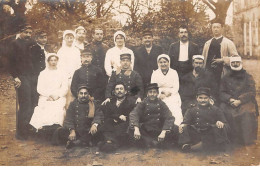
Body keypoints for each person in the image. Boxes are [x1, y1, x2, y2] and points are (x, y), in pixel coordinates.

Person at [219, 56, 258, 145]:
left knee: (247, 112)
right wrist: (230, 99)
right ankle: (228, 138)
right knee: (223, 110)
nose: (235, 64)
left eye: (237, 62)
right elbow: (221, 92)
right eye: (233, 63)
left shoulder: (248, 76)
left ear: (241, 63)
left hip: (245, 101)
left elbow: (252, 92)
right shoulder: (225, 77)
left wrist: (240, 100)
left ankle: (246, 139)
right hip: (230, 102)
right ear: (230, 64)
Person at [178, 87, 229, 152]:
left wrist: (221, 123)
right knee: (184, 127)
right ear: (197, 98)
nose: (203, 100)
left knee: (218, 128)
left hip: (210, 134)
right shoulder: (191, 109)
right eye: (200, 98)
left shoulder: (216, 109)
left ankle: (192, 148)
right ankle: (187, 144)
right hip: (197, 134)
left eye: (205, 98)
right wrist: (183, 124)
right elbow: (186, 121)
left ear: (209, 98)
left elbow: (226, 125)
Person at [129, 83, 177, 148]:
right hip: (146, 130)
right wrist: (136, 128)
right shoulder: (143, 103)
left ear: (157, 93)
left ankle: (150, 142)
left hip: (158, 129)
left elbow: (169, 117)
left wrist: (163, 132)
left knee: (175, 128)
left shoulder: (161, 103)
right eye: (150, 92)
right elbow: (134, 114)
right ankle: (152, 142)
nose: (152, 94)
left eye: (154, 92)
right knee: (131, 129)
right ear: (147, 94)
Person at [30, 53, 68, 132]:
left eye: (55, 60)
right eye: (51, 60)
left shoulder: (62, 73)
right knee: (44, 107)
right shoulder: (43, 73)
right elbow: (39, 88)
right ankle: (43, 128)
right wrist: (49, 95)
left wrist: (57, 95)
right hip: (45, 96)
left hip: (59, 96)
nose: (53, 62)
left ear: (57, 61)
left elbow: (65, 88)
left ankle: (56, 127)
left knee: (57, 107)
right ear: (48, 61)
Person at [9, 24, 34, 140]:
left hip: (30, 76)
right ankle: (21, 132)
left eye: (30, 32)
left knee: (30, 103)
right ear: (21, 32)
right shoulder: (14, 44)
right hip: (21, 77)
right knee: (25, 103)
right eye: (26, 32)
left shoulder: (29, 43)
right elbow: (10, 63)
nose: (28, 35)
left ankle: (26, 128)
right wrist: (15, 77)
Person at [99, 82, 136, 152]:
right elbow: (107, 115)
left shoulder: (131, 102)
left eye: (121, 89)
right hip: (112, 124)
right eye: (117, 89)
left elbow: (132, 116)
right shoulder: (110, 102)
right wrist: (118, 116)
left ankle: (110, 142)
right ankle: (110, 142)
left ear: (125, 92)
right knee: (107, 123)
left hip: (123, 126)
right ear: (114, 92)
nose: (119, 91)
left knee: (123, 126)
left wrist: (118, 118)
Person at [202, 18, 238, 85]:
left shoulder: (228, 43)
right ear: (211, 29)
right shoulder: (207, 43)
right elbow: (203, 60)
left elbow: (236, 59)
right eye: (214, 27)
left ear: (222, 28)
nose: (216, 29)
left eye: (218, 27)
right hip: (209, 74)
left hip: (222, 74)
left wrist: (222, 60)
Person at [151, 54, 183, 126]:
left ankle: (175, 126)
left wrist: (169, 92)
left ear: (169, 62)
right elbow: (153, 86)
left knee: (174, 109)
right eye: (161, 62)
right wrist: (159, 94)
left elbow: (176, 86)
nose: (163, 64)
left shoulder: (174, 72)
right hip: (158, 94)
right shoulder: (155, 73)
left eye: (165, 62)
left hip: (172, 94)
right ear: (158, 63)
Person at [57, 30, 81, 109]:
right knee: (65, 95)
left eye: (71, 38)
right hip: (64, 77)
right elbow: (59, 65)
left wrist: (76, 75)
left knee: (74, 95)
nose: (70, 40)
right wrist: (66, 76)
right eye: (68, 38)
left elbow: (78, 64)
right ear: (64, 39)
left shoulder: (76, 51)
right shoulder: (61, 51)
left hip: (75, 76)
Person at [30, 30, 48, 109]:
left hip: (45, 75)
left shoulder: (46, 48)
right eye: (41, 38)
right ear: (36, 39)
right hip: (36, 76)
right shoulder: (33, 49)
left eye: (45, 37)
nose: (44, 39)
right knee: (36, 96)